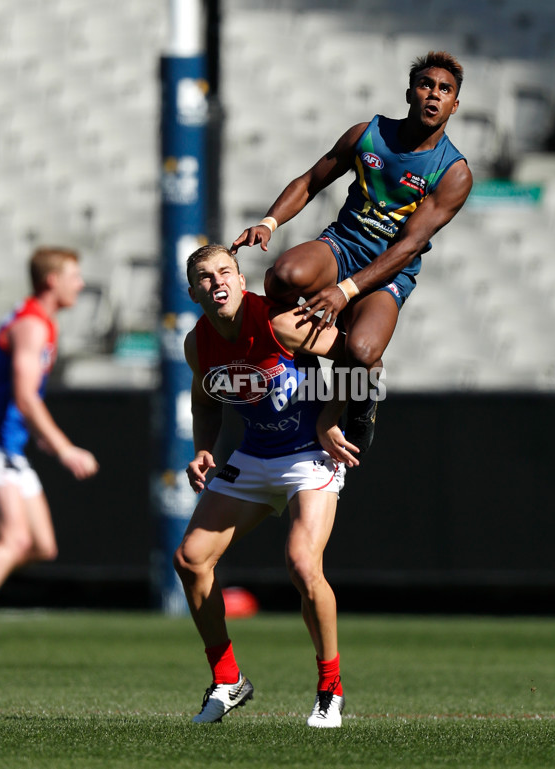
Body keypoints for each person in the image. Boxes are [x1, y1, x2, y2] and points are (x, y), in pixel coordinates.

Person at [231, 51, 474, 450]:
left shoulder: (453, 172)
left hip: (388, 272)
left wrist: (344, 291)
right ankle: (307, 365)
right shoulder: (368, 134)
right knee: (282, 278)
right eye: (426, 84)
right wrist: (268, 222)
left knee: (361, 352)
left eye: (444, 89)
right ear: (410, 92)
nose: (433, 94)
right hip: (340, 246)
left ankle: (363, 393)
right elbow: (311, 181)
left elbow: (409, 246)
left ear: (455, 104)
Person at [173, 244, 360, 728]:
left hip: (309, 455)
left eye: (225, 272)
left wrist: (330, 420)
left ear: (240, 279)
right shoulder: (198, 343)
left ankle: (330, 687)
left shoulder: (279, 322)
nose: (217, 283)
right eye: (204, 277)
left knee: (301, 563)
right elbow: (207, 401)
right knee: (191, 561)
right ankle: (228, 679)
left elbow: (364, 361)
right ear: (192, 292)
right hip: (254, 455)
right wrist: (203, 448)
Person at [0, 247, 99, 593]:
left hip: (10, 445)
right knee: (16, 539)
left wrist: (35, 432)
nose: (81, 284)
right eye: (74, 277)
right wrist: (64, 449)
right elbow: (25, 396)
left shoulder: (41, 323)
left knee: (42, 545)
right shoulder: (32, 325)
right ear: (52, 281)